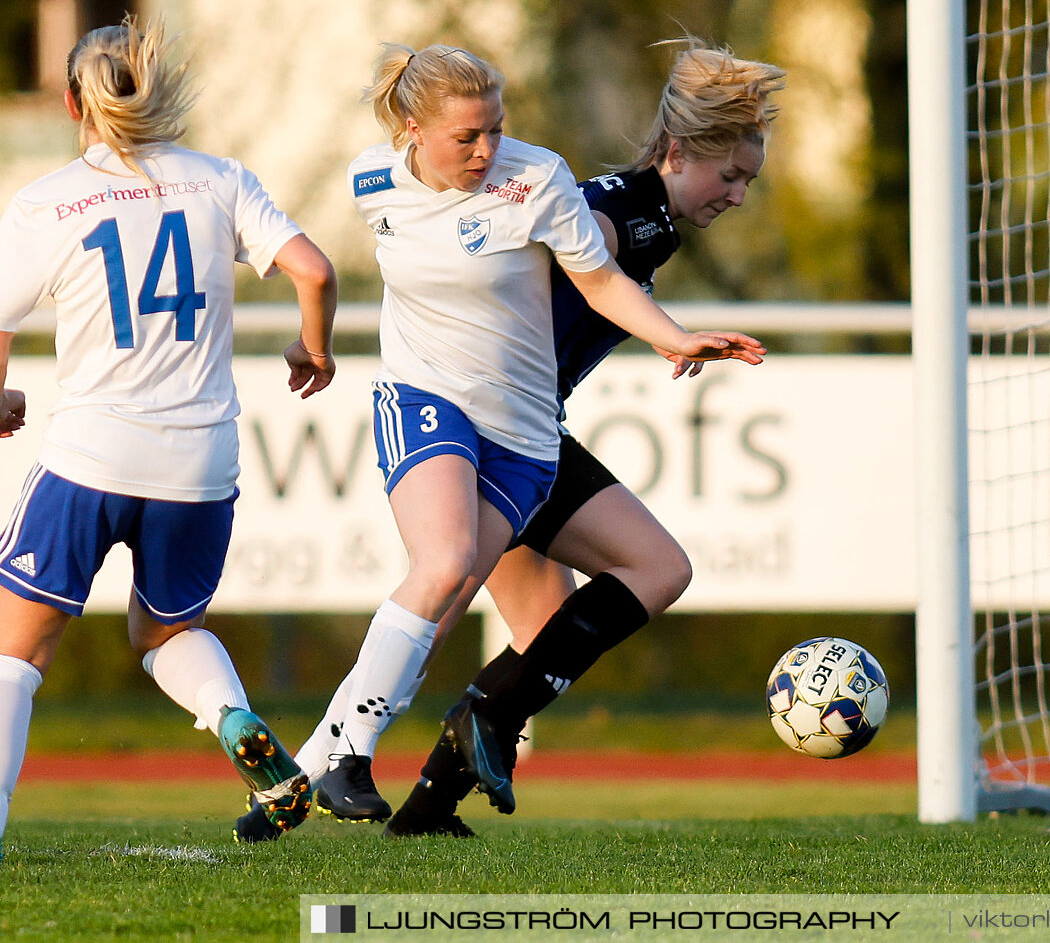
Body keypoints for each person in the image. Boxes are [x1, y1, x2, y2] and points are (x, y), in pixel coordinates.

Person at [283, 42, 765, 835]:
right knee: (526, 588)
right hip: (493, 420)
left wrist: (667, 337)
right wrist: (668, 333)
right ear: (677, 154)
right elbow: (582, 258)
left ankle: (408, 803)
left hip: (524, 428)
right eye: (732, 175)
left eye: (749, 179)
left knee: (532, 628)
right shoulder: (625, 213)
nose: (739, 195)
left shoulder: (632, 209)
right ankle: (337, 759)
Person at [0, 17, 339, 854]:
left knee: (14, 652)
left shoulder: (48, 200)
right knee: (165, 632)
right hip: (199, 463)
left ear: (76, 102)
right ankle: (232, 718)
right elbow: (316, 270)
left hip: (90, 454)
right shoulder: (219, 181)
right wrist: (315, 347)